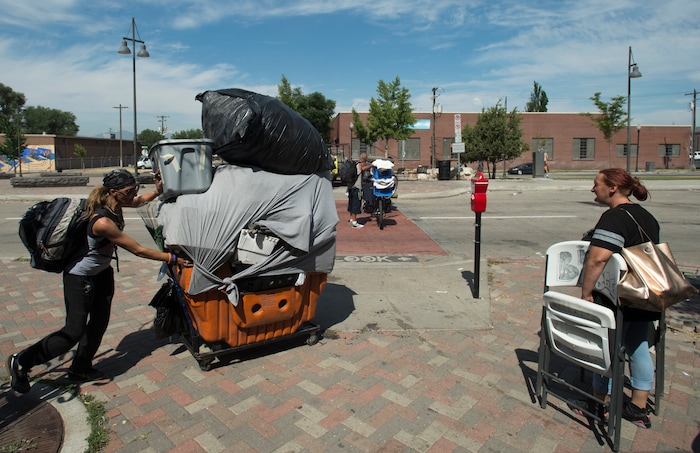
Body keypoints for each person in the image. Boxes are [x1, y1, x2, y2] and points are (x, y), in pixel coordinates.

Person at [7, 169, 190, 393]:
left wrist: (156, 191)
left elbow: (139, 201)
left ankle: (80, 367)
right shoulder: (102, 221)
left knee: (99, 323)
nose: (133, 193)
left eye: (135, 188)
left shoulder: (116, 203)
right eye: (129, 190)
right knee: (73, 331)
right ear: (113, 191)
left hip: (102, 274)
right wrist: (171, 257)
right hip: (80, 278)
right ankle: (22, 361)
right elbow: (138, 250)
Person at [580, 168, 659, 429]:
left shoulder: (614, 218)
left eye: (596, 184)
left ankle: (599, 402)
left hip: (620, 297)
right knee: (638, 347)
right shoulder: (645, 216)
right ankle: (638, 406)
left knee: (607, 350)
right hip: (645, 294)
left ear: (612, 187)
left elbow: (598, 258)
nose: (593, 189)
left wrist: (587, 293)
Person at [347, 152, 372, 228]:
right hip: (357, 188)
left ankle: (351, 219)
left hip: (351, 187)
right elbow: (363, 168)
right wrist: (372, 165)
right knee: (356, 204)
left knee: (351, 204)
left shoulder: (355, 164)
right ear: (364, 160)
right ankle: (354, 222)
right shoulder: (360, 165)